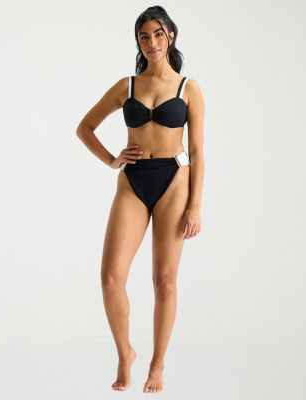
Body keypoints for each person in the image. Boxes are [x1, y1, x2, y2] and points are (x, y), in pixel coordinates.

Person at [76, 6, 204, 393]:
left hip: (174, 180)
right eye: (144, 36)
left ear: (171, 36)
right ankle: (125, 353)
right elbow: (85, 127)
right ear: (138, 41)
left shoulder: (188, 88)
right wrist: (111, 159)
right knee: (110, 278)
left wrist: (195, 205)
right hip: (132, 182)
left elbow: (198, 151)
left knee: (164, 280)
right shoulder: (126, 86)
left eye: (158, 34)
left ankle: (158, 364)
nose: (152, 42)